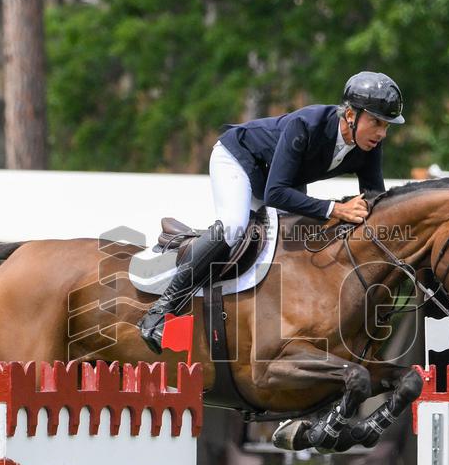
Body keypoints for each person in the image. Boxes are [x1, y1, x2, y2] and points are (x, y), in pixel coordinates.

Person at [138, 71, 405, 352]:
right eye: (376, 122)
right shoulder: (306, 125)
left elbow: (376, 200)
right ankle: (160, 311)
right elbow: (275, 194)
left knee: (299, 238)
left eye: (387, 126)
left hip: (278, 179)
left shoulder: (370, 146)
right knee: (233, 226)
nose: (381, 133)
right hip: (238, 160)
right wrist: (335, 208)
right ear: (351, 114)